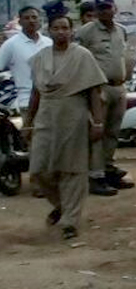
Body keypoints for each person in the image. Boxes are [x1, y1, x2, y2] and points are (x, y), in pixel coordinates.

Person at [24, 12, 106, 242]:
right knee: (39, 169)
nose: (61, 32)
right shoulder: (41, 58)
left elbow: (94, 93)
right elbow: (35, 93)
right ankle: (60, 205)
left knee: (72, 168)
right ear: (49, 31)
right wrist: (28, 122)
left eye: (65, 28)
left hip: (73, 116)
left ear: (72, 31)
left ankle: (70, 220)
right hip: (46, 116)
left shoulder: (83, 56)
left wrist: (97, 122)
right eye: (56, 28)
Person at [74, 0, 131, 196]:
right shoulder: (86, 32)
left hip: (119, 87)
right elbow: (76, 59)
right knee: (97, 132)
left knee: (113, 132)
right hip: (99, 88)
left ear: (115, 8)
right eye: (100, 9)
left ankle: (108, 169)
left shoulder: (121, 31)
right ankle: (95, 176)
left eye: (107, 7)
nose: (104, 12)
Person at [0, 6, 51, 114]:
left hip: (50, 101)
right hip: (25, 102)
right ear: (20, 21)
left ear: (39, 20)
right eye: (26, 18)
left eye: (34, 17)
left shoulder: (49, 43)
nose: (31, 21)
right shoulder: (11, 45)